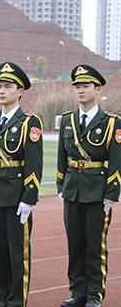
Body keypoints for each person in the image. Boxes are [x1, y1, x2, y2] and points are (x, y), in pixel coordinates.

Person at [57, 65, 121, 307]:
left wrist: (112, 192)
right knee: (75, 244)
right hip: (73, 190)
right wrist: (61, 187)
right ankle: (78, 292)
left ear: (98, 89)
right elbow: (63, 158)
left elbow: (116, 161)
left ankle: (94, 294)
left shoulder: (112, 122)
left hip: (97, 191)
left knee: (95, 245)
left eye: (85, 86)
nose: (81, 91)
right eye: (77, 87)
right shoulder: (67, 120)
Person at [0, 62, 43, 307]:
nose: (1, 91)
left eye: (8, 87)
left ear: (20, 92)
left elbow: (33, 164)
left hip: (17, 197)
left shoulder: (30, 122)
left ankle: (16, 301)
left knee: (18, 253)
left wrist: (29, 198)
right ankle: (3, 298)